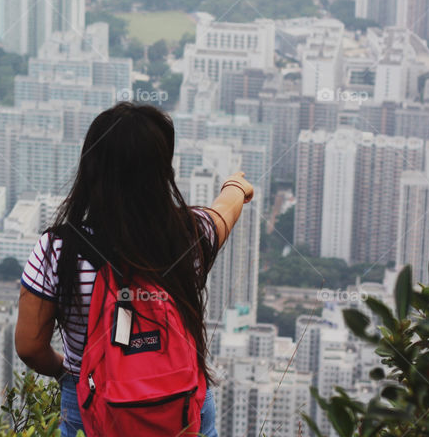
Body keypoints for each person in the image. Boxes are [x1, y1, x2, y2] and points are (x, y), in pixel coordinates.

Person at [14, 102, 255, 437]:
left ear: (92, 169)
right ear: (161, 173)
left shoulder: (59, 250)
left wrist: (68, 373)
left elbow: (29, 346)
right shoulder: (190, 235)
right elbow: (223, 213)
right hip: (183, 406)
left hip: (90, 403)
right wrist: (236, 187)